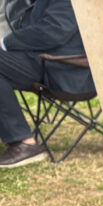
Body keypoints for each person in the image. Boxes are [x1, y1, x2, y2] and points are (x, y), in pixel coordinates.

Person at [0, 0, 90, 167]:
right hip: (47, 59)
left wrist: (6, 43)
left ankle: (24, 144)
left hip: (64, 68)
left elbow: (53, 31)